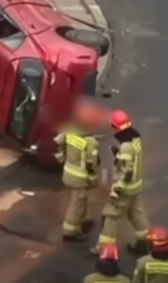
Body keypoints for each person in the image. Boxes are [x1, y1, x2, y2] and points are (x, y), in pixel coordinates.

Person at [96, 109, 150, 255]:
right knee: (138, 215)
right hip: (135, 187)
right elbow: (132, 160)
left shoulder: (126, 146)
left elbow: (126, 170)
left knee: (111, 216)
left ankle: (104, 249)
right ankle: (144, 243)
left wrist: (116, 189)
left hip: (125, 189)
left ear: (115, 127)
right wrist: (118, 154)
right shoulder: (136, 139)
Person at [54, 98, 101, 241]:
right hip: (80, 178)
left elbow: (57, 143)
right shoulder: (90, 142)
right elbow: (91, 165)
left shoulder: (70, 131)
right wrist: (93, 180)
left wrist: (62, 159)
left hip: (68, 173)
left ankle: (81, 220)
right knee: (77, 203)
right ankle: (70, 231)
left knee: (81, 200)